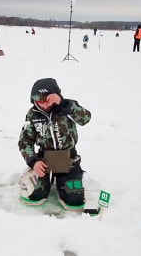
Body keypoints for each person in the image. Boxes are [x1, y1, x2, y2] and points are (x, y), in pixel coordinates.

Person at [18, 78, 91, 210]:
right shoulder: (32, 115)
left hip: (69, 161)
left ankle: (64, 181)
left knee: (74, 199)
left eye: (48, 100)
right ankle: (40, 177)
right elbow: (24, 141)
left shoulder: (68, 107)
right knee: (35, 194)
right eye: (40, 101)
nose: (44, 105)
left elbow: (86, 118)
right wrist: (33, 162)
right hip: (45, 161)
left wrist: (62, 103)